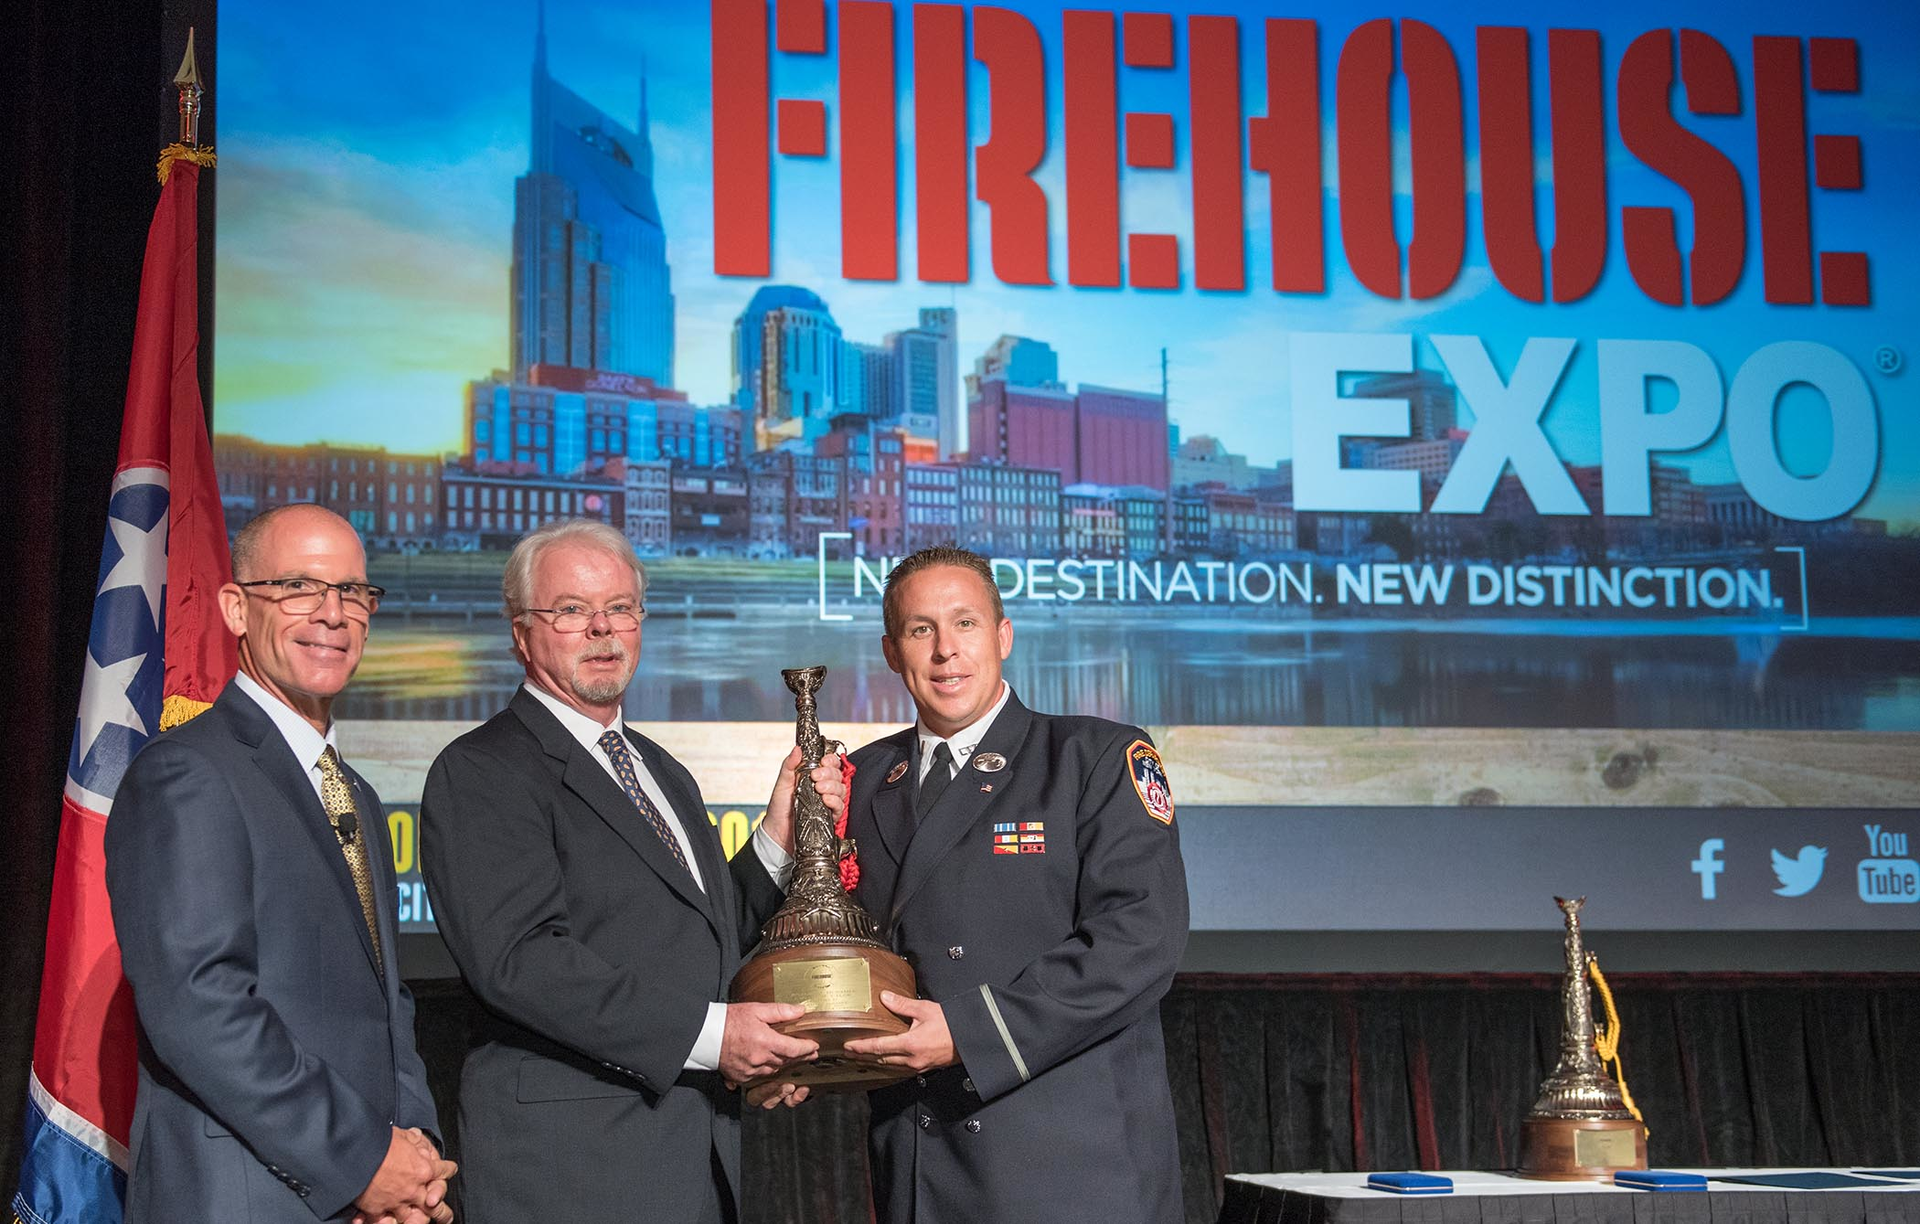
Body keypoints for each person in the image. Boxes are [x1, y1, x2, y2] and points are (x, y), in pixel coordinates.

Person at [418, 519, 838, 1224]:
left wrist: (777, 838)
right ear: (521, 634)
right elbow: (521, 962)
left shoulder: (661, 770)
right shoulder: (481, 770)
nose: (601, 628)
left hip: (697, 1160)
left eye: (620, 607)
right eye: (571, 610)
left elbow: (698, 941)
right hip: (571, 1173)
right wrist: (718, 1039)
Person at [799, 545, 1190, 1223]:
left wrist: (969, 1033)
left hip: (1073, 1168)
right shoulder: (858, 779)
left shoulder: (1093, 757)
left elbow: (1139, 941)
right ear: (891, 652)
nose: (946, 650)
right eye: (921, 630)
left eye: (966, 623)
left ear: (1003, 635)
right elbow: (828, 941)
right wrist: (798, 1051)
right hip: (922, 1159)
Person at [106, 504, 454, 1224]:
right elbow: (200, 1007)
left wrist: (414, 1157)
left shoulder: (355, 793)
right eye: (298, 587)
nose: (332, 614)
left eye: (352, 592)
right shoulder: (188, 772)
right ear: (236, 608)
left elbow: (387, 1004)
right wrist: (362, 1160)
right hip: (246, 1196)